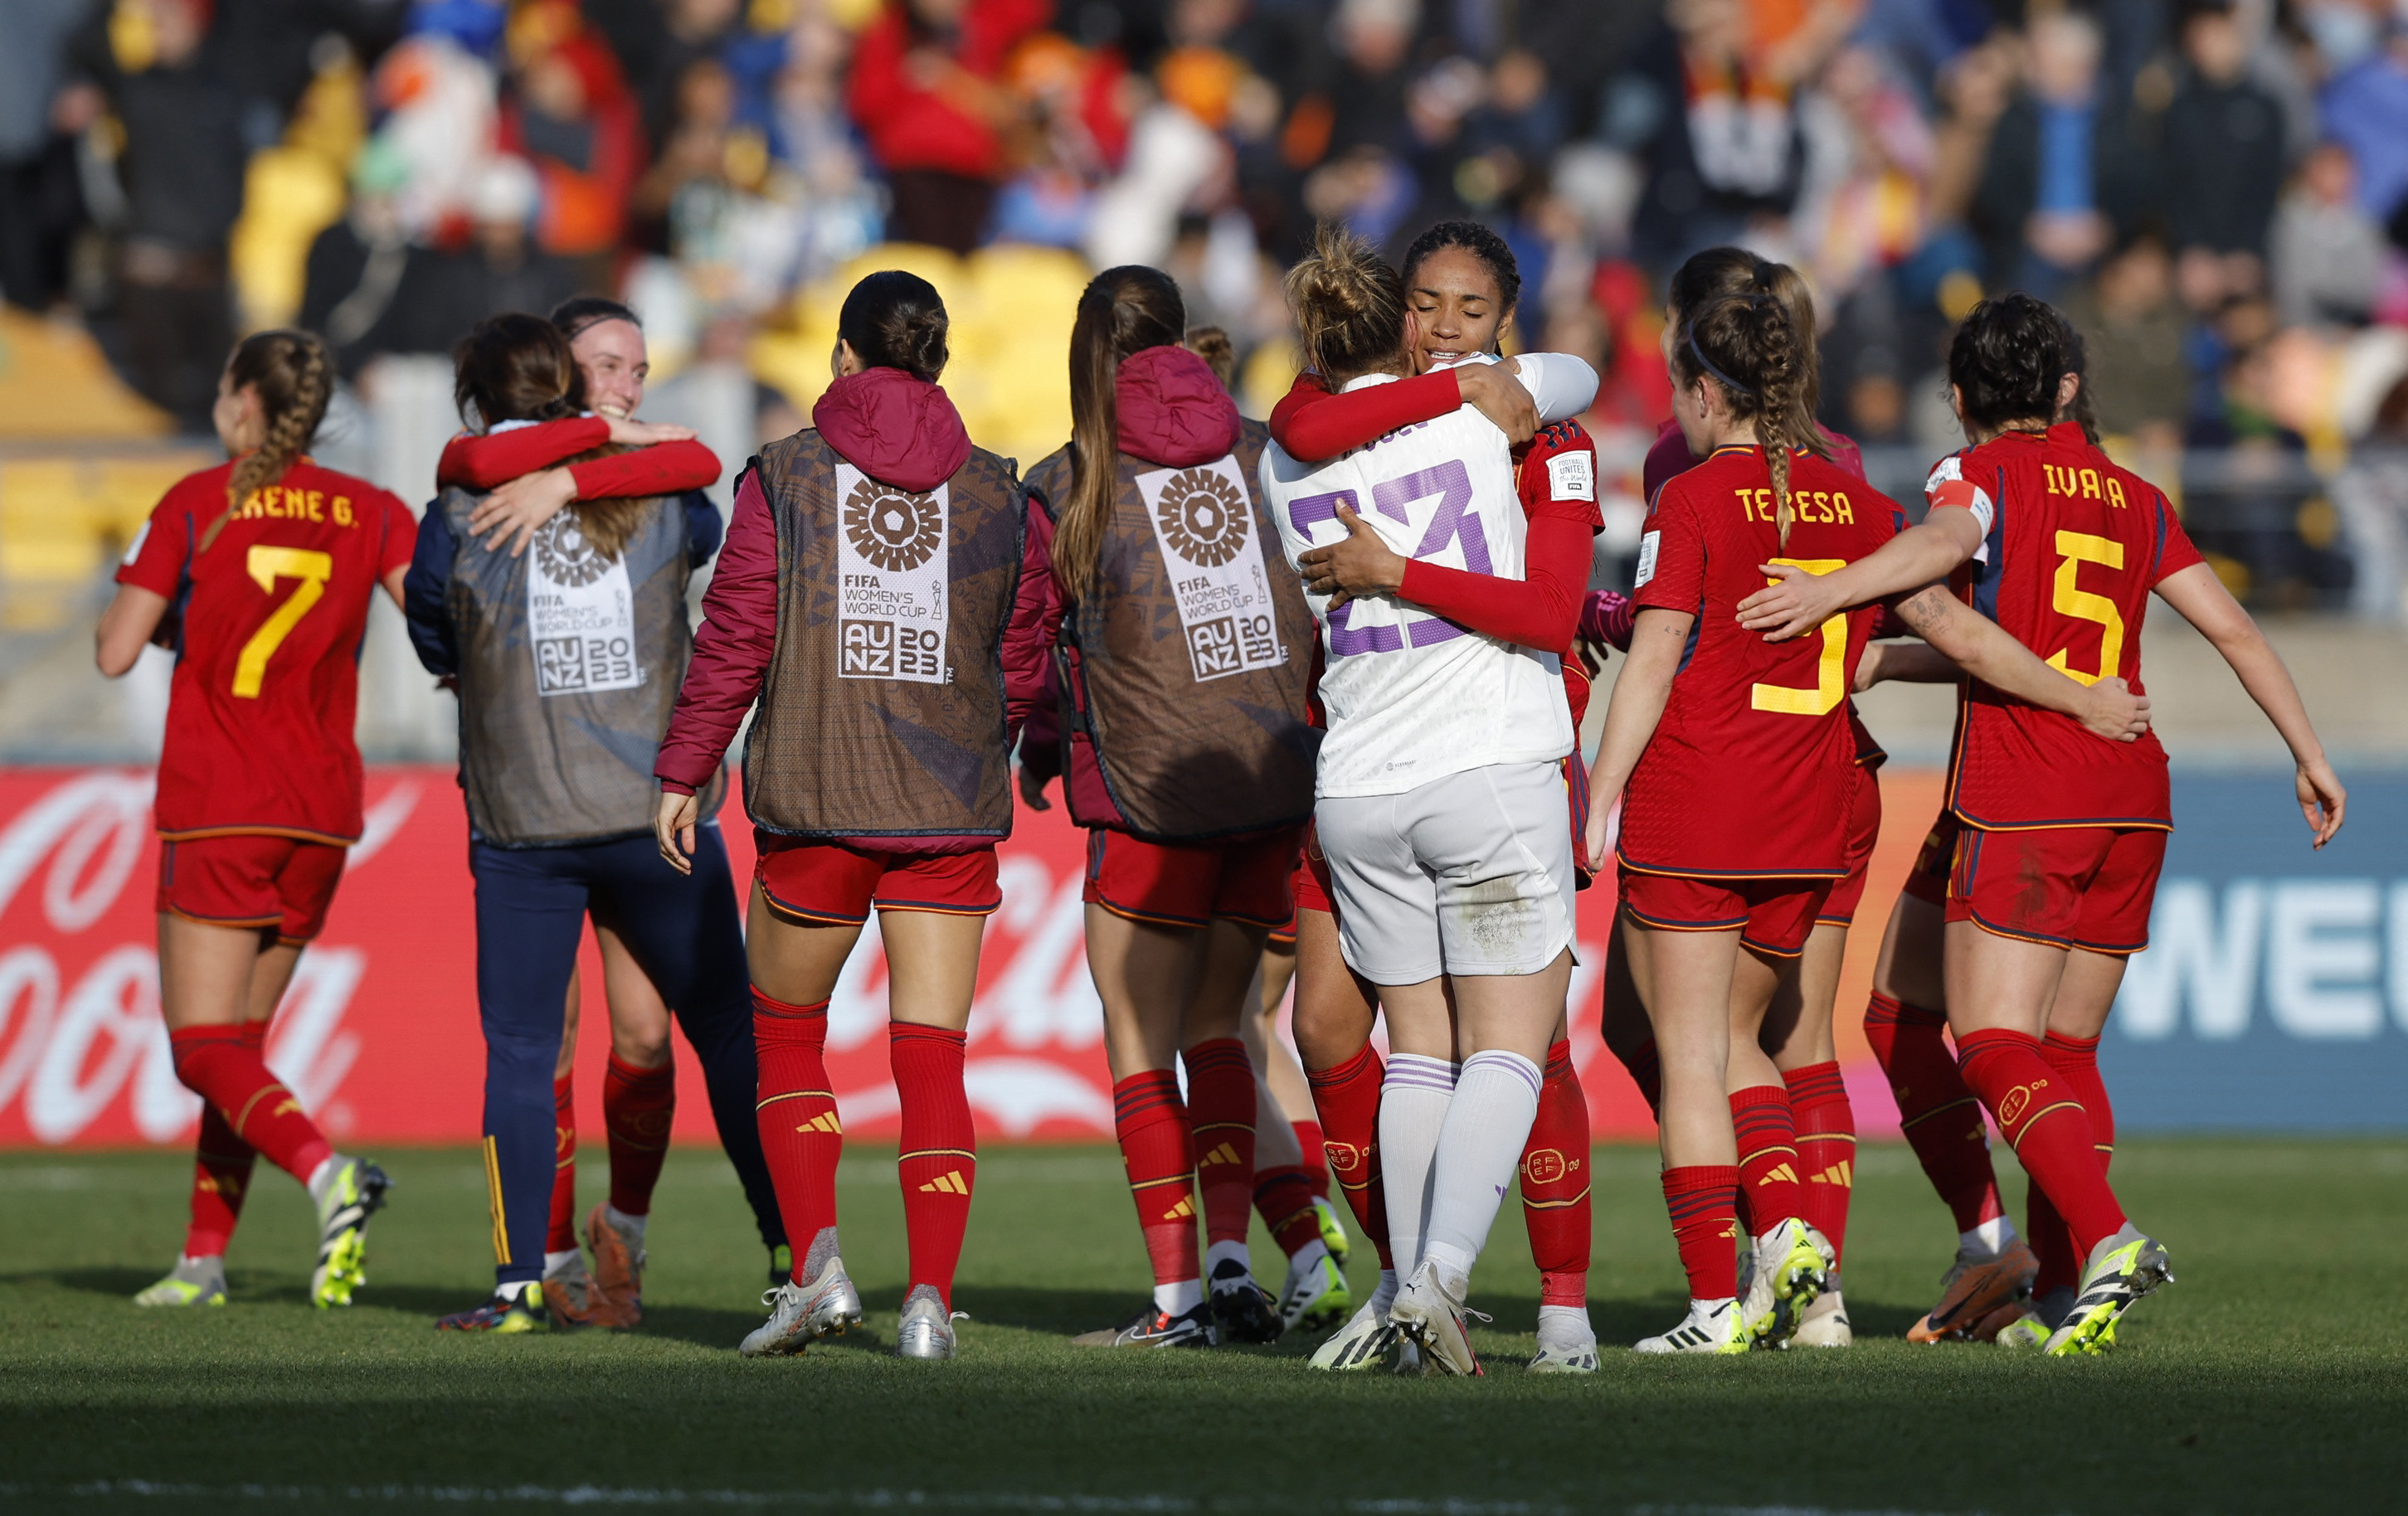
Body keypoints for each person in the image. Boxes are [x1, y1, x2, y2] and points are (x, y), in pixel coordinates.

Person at [1733, 292, 2346, 1353]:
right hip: (2131, 794)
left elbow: (1938, 549)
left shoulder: (1975, 476)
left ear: (1958, 396)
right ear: (2066, 387)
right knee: (1970, 1031)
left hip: (2023, 793)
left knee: (1994, 1042)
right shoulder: (2134, 495)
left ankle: (2103, 1241)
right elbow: (2229, 629)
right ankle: (2033, 1275)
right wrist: (2307, 751)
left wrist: (1830, 591)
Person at [1583, 284, 2154, 1355]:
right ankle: (1806, 1257)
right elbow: (1955, 629)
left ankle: (1733, 1291)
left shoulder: (1691, 491)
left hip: (1706, 793)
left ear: (1705, 390)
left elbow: (1654, 653)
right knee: (1776, 1041)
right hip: (1823, 804)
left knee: (1697, 1049)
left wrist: (1598, 788)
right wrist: (2078, 692)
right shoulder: (1857, 501)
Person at [1250, 220, 1605, 1373]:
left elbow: (1305, 419)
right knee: (1509, 1049)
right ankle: (1438, 1281)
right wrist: (1480, 393)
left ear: (1500, 314)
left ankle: (1473, 1296)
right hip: (1483, 764)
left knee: (1417, 1056)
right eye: (1422, 303)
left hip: (1356, 779)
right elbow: (1552, 612)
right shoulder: (1502, 420)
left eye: (1466, 308)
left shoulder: (1282, 452)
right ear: (1391, 312)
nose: (1443, 327)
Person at [652, 270, 1027, 1363]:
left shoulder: (786, 474)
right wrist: (986, 738)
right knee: (932, 1059)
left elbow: (734, 631)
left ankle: (816, 1273)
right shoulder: (1000, 489)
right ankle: (926, 1307)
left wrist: (685, 767)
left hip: (814, 793)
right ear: (938, 363)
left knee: (785, 1038)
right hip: (945, 804)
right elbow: (1022, 644)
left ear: (842, 357)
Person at [408, 297, 790, 1330]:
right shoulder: (671, 504)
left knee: (543, 1049)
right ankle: (792, 1257)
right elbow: (707, 502)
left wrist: (571, 475)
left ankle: (531, 1281)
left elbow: (432, 635)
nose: (627, 387)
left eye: (637, 369)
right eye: (605, 368)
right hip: (650, 817)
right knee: (722, 1035)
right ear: (560, 378)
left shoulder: (457, 510)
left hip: (526, 823)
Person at [1011, 266, 1321, 1349]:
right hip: (1271, 785)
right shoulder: (1265, 452)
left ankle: (1181, 1299)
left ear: (1089, 353)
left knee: (1141, 1049)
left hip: (1147, 798)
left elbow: (1033, 650)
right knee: (1221, 1029)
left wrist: (1038, 748)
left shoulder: (1067, 480)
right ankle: (1237, 1264)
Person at [95, 329, 410, 1309]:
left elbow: (112, 653)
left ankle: (327, 1174)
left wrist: (193, 621)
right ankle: (202, 1258)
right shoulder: (373, 509)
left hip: (220, 800)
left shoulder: (199, 500)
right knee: (238, 1049)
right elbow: (438, 631)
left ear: (240, 401)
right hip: (320, 809)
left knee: (202, 1048)